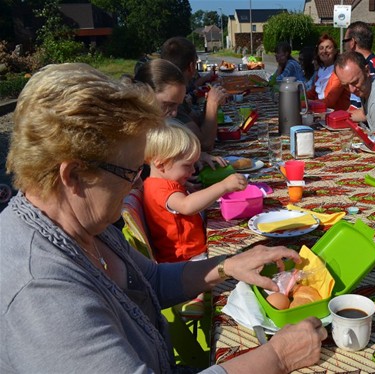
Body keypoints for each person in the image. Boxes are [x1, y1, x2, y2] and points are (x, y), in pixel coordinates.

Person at [0, 63, 327, 373]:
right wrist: (278, 358)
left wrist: (227, 265)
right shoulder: (41, 294)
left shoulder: (80, 223)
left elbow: (151, 282)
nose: (138, 183)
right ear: (73, 176)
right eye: (131, 171)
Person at [143, 122, 247, 263]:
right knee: (242, 258)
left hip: (190, 255)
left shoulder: (158, 183)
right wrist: (224, 186)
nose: (193, 170)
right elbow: (187, 206)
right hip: (186, 261)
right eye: (187, 165)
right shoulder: (160, 189)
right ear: (160, 164)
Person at [129, 58, 227, 170]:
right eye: (168, 104)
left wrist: (189, 159)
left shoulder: (147, 130)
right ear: (144, 95)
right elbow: (205, 143)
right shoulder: (126, 141)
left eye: (177, 106)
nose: (174, 113)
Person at [161, 36, 230, 152]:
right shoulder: (170, 98)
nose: (174, 112)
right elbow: (204, 145)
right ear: (192, 66)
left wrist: (209, 102)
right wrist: (212, 104)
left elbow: (197, 123)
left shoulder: (168, 90)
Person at [334, 51, 375, 136]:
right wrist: (334, 117)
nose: (351, 90)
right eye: (345, 86)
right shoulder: (369, 84)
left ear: (367, 71)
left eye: (355, 82)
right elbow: (364, 114)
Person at [343, 21, 375, 116]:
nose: (344, 46)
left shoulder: (369, 70)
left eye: (345, 41)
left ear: (352, 43)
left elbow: (363, 110)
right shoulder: (374, 65)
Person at [306, 33, 350, 111]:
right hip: (321, 112)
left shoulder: (339, 72)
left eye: (328, 47)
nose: (324, 51)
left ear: (335, 51)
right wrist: (297, 97)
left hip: (336, 116)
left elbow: (329, 102)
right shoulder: (322, 70)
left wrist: (304, 103)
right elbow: (313, 93)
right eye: (321, 48)